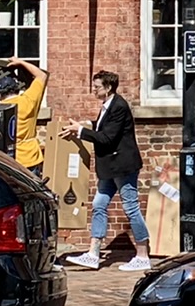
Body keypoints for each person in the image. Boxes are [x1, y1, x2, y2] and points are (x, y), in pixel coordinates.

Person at [60, 69, 151, 270]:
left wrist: (81, 131)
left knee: (131, 207)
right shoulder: (108, 105)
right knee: (99, 204)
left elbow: (107, 138)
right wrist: (86, 124)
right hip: (110, 166)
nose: (93, 90)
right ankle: (93, 253)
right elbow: (104, 127)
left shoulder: (119, 106)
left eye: (97, 87)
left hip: (122, 166)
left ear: (108, 87)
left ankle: (143, 255)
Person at [0, 57, 49, 177]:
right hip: (31, 156)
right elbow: (42, 75)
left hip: (8, 159)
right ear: (17, 89)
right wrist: (20, 62)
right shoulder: (28, 100)